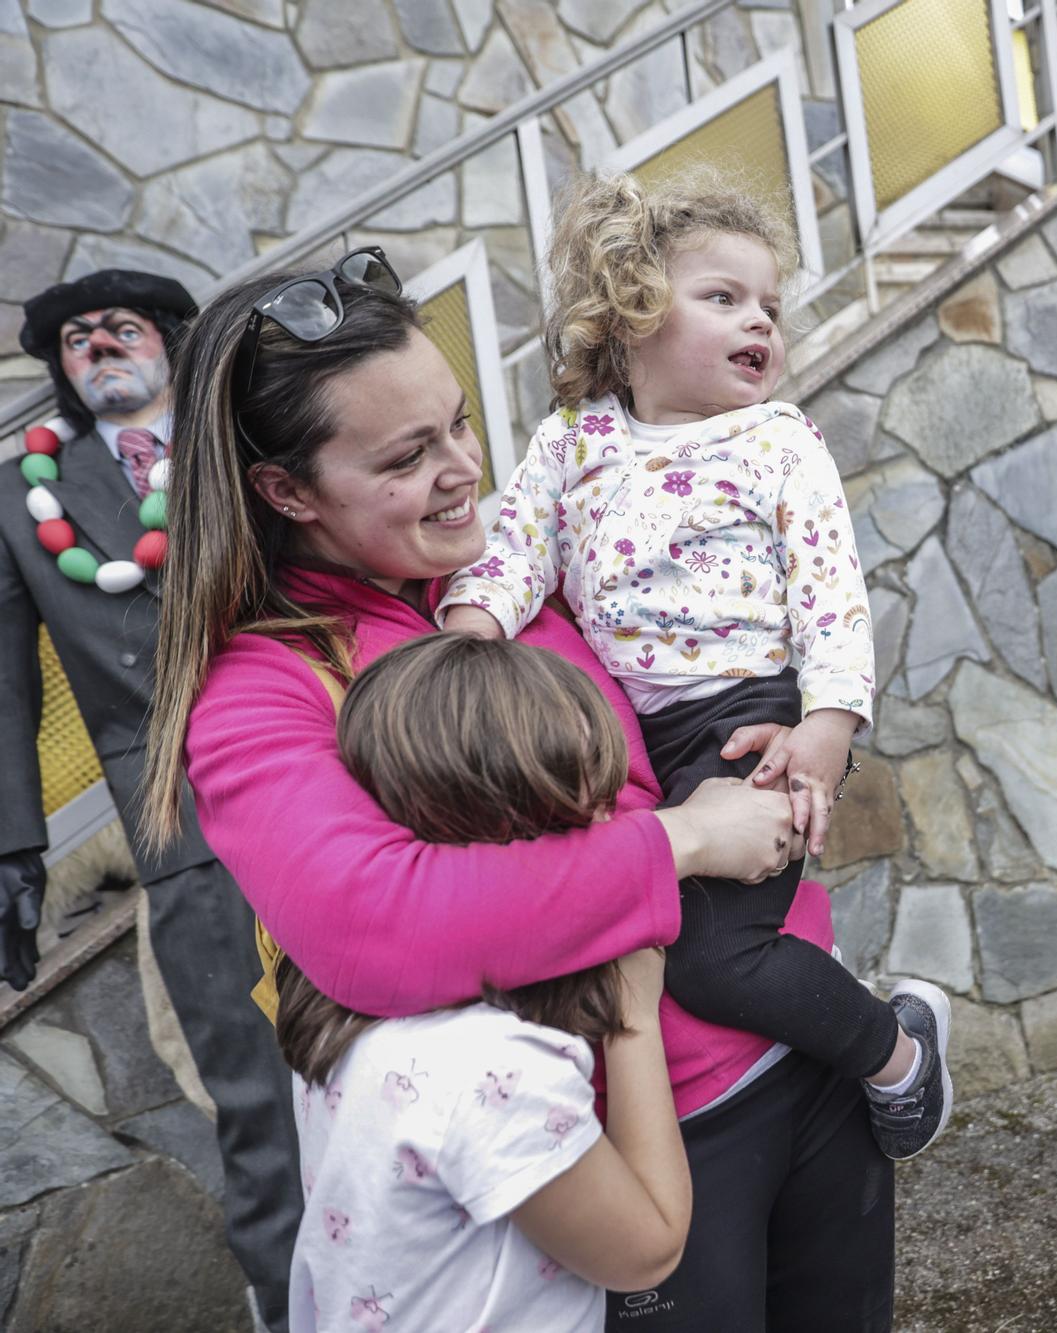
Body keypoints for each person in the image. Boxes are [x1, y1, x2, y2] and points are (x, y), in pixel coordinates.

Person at [141, 247, 898, 1331]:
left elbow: (707, 659)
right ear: (284, 490)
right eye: (407, 455)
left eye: (458, 422)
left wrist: (792, 728)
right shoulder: (260, 689)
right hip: (642, 1149)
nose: (462, 469)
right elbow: (375, 923)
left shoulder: (505, 573)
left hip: (798, 1044)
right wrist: (678, 843)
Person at [437, 170, 953, 1162]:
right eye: (723, 298)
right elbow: (513, 557)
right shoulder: (570, 444)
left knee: (712, 960)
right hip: (629, 739)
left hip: (749, 715)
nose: (758, 320)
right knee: (606, 918)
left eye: (768, 305)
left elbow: (832, 598)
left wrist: (826, 730)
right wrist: (468, 632)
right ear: (626, 318)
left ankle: (897, 1057)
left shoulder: (775, 439)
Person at [1, 268, 302, 1330]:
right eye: (75, 339)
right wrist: (11, 847)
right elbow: (4, 687)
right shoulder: (24, 496)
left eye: (118, 328)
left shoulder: (257, 433)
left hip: (342, 771)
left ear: (170, 342)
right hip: (185, 825)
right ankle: (292, 1308)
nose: (95, 347)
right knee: (257, 1099)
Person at [280, 633, 691, 1332]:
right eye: (593, 819)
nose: (615, 830)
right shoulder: (495, 1071)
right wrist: (634, 1017)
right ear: (520, 833)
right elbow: (648, 1249)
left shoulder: (335, 988)